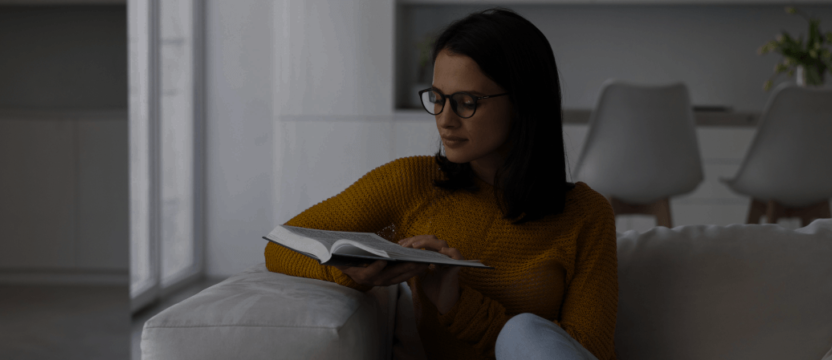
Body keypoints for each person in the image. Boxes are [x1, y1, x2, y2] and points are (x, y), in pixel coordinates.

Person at [264, 8, 617, 360]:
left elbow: (588, 351)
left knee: (523, 330)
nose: (445, 121)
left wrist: (457, 303)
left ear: (523, 102)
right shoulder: (412, 183)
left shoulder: (586, 214)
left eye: (466, 102)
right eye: (437, 98)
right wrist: (357, 274)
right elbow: (281, 245)